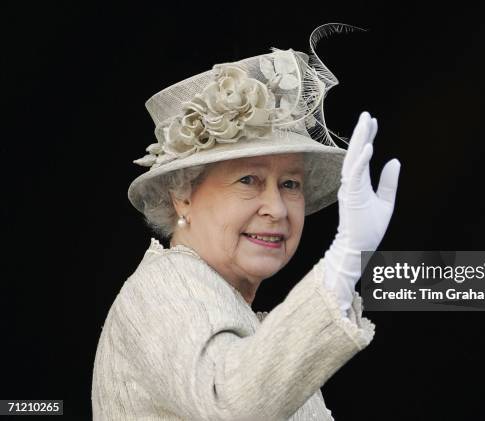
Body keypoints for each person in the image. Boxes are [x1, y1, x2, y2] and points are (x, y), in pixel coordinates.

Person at [92, 23, 401, 420]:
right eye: (248, 180)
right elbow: (231, 402)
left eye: (290, 183)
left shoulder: (233, 310)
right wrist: (344, 261)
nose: (276, 207)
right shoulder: (164, 287)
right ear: (182, 195)